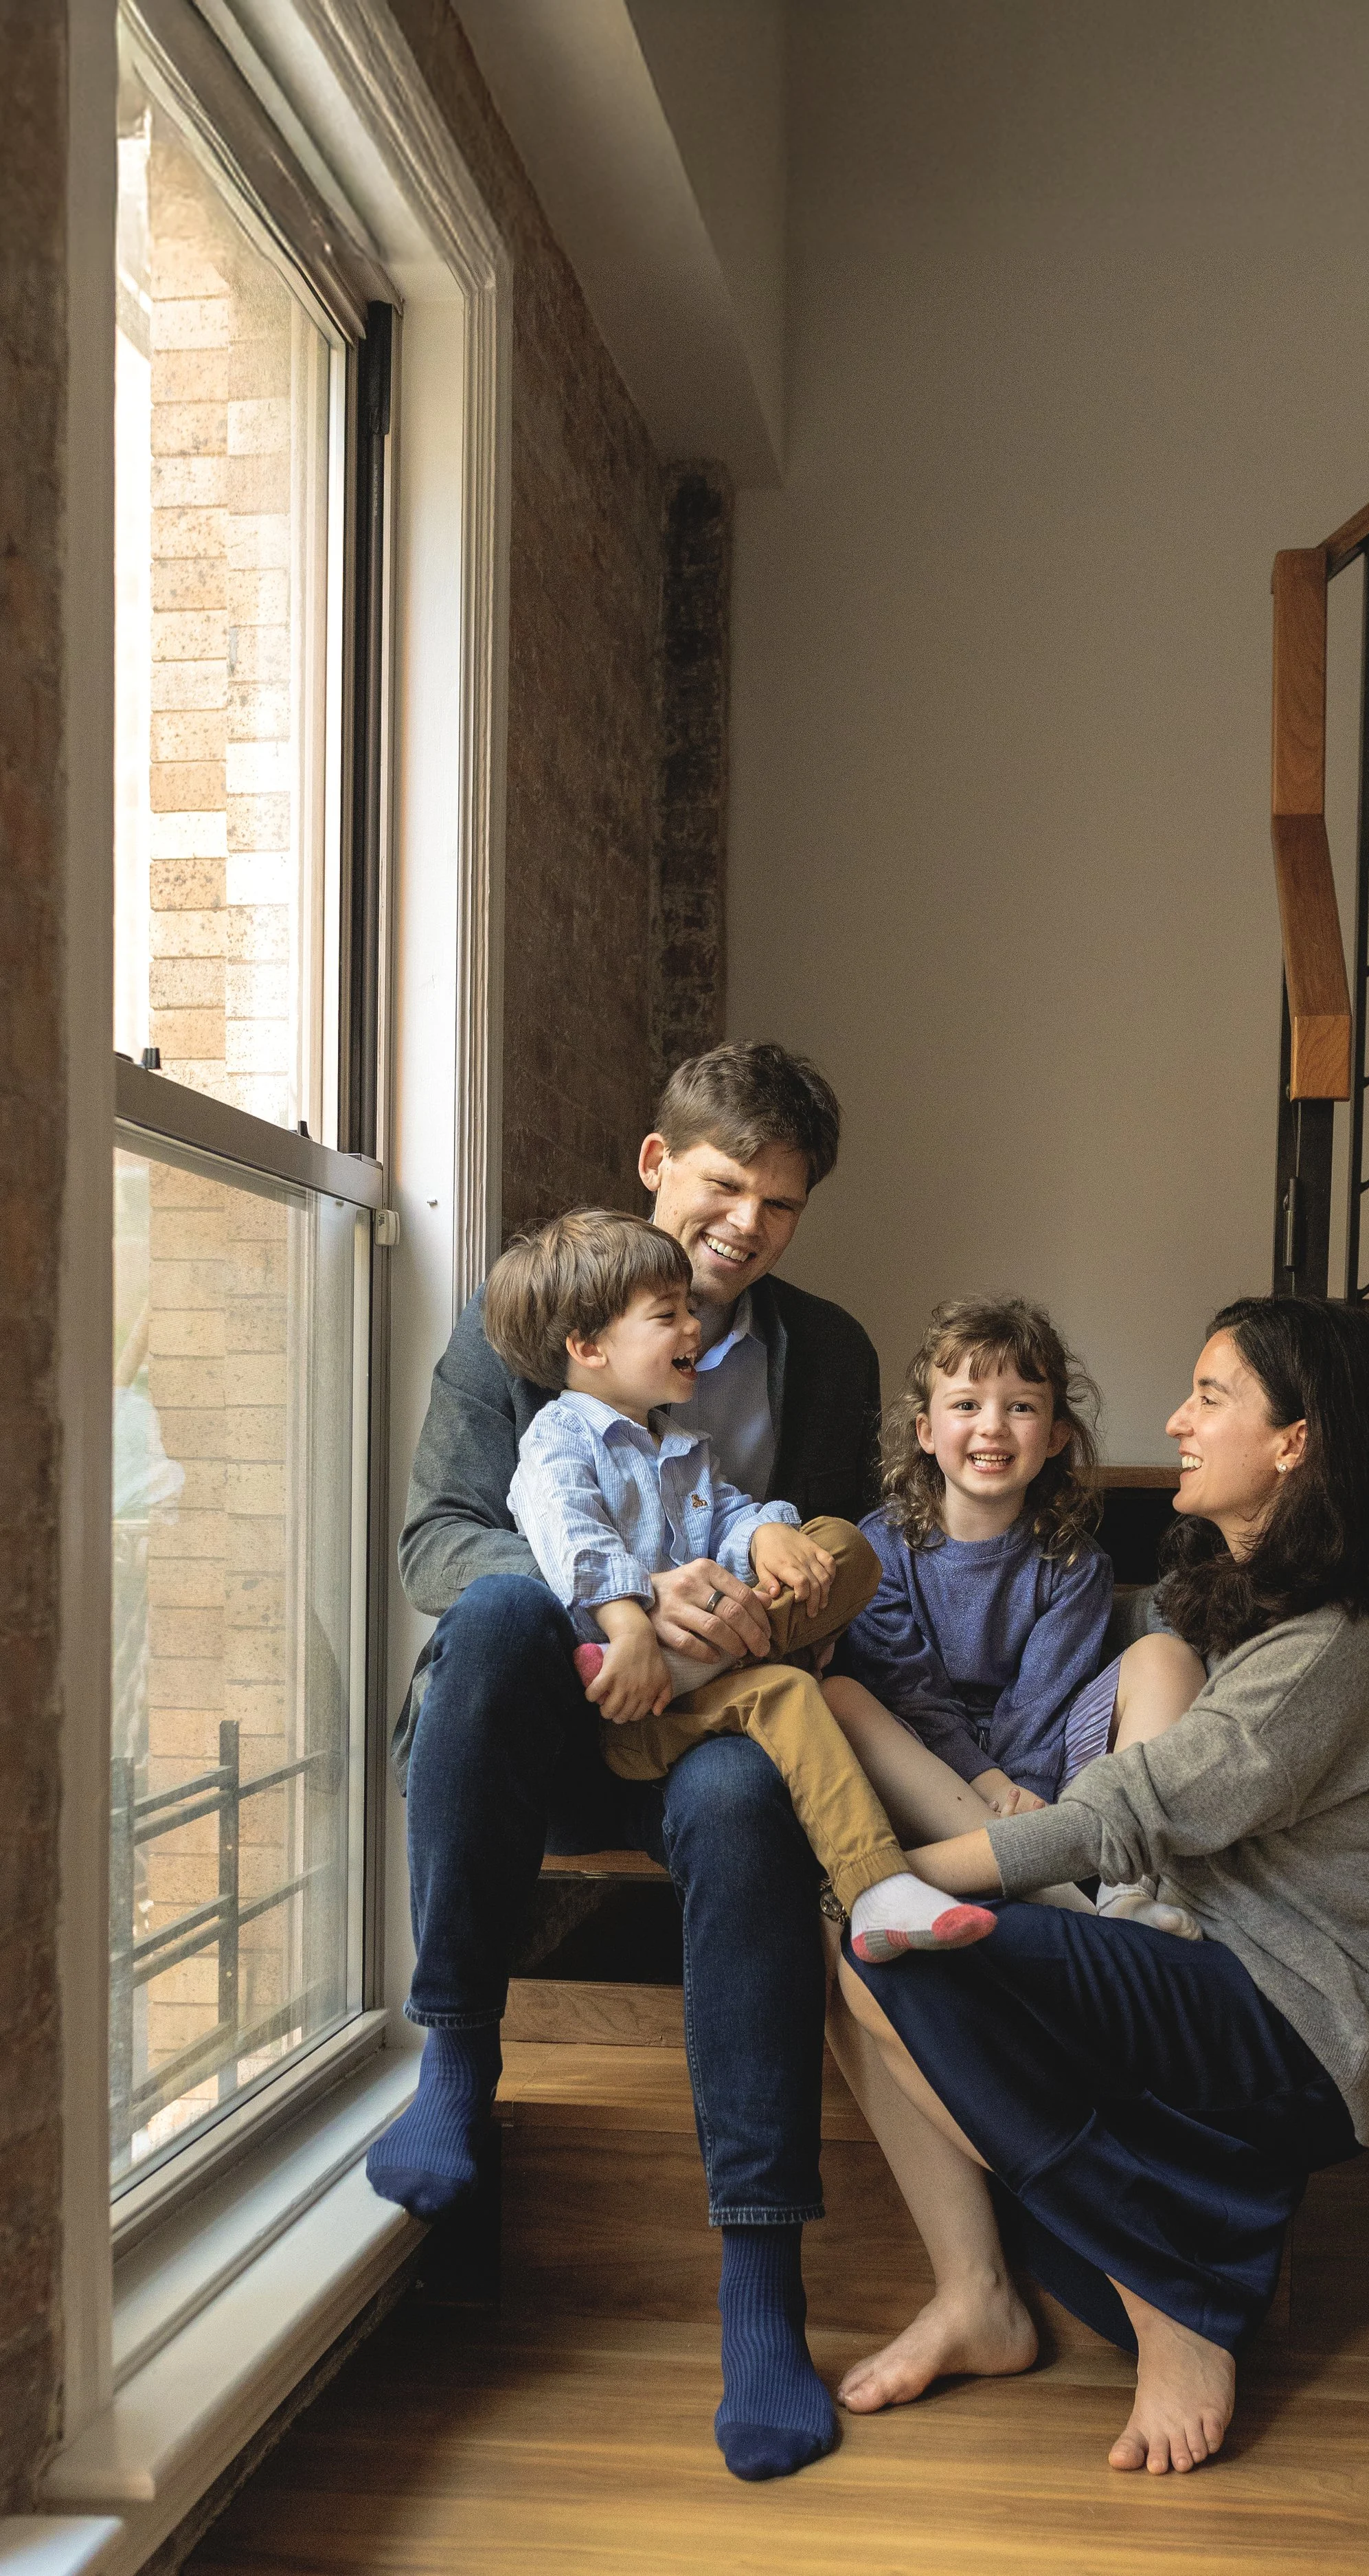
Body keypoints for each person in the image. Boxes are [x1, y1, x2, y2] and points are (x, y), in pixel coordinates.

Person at [824, 1295, 1369, 2477]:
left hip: (1306, 2021)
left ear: (1296, 1440)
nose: (1176, 1419)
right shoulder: (1257, 1609)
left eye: (1211, 1395)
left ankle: (1172, 2292)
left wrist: (907, 1871)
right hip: (1237, 1977)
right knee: (873, 1950)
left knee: (898, 1939)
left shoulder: (1332, 1645)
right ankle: (1010, 2290)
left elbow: (1138, 1807)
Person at [365, 1042, 883, 2483]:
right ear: (658, 1165)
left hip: (708, 1725)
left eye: (781, 1203)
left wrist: (768, 1590)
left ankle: (761, 2286)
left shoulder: (826, 1350)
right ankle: (458, 2049)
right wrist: (625, 1599)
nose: (746, 1224)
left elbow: (830, 1547)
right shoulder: (524, 1321)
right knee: (492, 1599)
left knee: (738, 1798)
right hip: (539, 1710)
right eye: (726, 1184)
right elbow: (437, 1537)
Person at [488, 1203, 997, 1964]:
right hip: (636, 1703)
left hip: (712, 1654)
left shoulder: (685, 1445)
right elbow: (574, 1542)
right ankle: (876, 1891)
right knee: (792, 1693)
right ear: (588, 1345)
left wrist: (768, 1534)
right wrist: (630, 1627)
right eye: (668, 1315)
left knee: (846, 1547)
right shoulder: (558, 1440)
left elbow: (728, 1516)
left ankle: (733, 1648)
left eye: (689, 1309)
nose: (694, 1328)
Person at [822, 1297, 1204, 1931]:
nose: (993, 1426)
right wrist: (992, 1790)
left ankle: (1124, 1893)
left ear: (1055, 1435)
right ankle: (1042, 1885)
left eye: (1021, 1406)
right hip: (925, 1770)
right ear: (925, 1431)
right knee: (839, 1695)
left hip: (1043, 1777)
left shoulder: (1075, 1564)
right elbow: (916, 1700)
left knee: (1165, 1655)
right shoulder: (879, 1550)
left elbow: (1043, 1703)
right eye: (967, 1404)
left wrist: (1021, 1792)